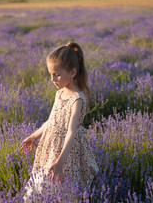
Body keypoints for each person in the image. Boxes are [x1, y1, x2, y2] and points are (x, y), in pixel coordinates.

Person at [20, 42, 99, 199]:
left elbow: (71, 131)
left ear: (72, 72)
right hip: (49, 147)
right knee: (42, 185)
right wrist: (34, 136)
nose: (52, 79)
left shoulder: (77, 99)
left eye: (56, 74)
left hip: (66, 152)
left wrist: (61, 161)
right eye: (50, 74)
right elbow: (51, 121)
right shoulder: (60, 94)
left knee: (62, 189)